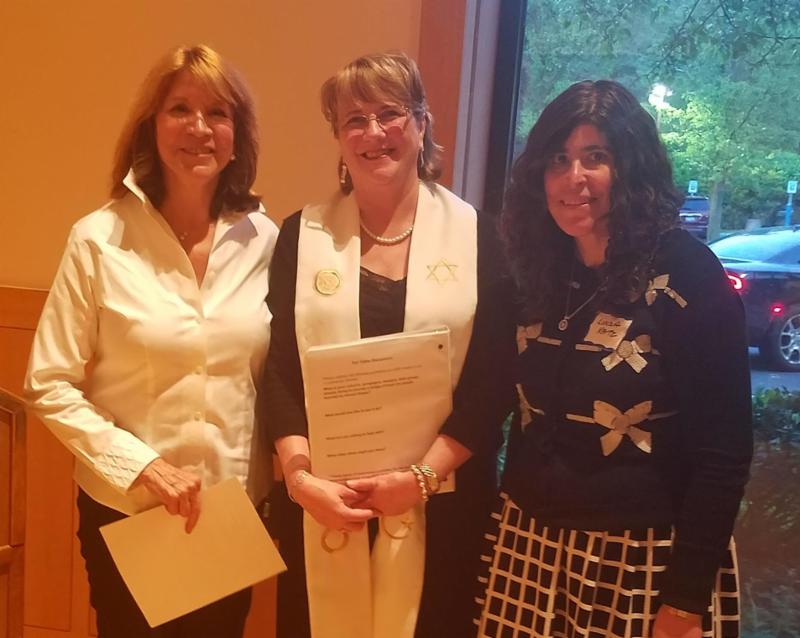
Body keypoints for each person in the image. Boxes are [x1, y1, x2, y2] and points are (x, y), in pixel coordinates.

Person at [474, 79, 753, 638]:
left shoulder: (687, 274)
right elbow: (486, 398)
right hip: (529, 544)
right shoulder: (531, 271)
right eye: (559, 159)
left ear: (630, 168)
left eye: (595, 157)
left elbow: (723, 454)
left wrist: (685, 601)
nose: (573, 177)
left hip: (643, 560)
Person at [258, 52, 516, 638]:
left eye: (390, 113)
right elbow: (279, 371)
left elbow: (494, 379)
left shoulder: (478, 235)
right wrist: (300, 480)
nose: (374, 133)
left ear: (421, 122)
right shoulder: (302, 234)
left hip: (443, 500)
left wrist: (421, 478)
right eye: (355, 119)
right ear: (338, 137)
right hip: (326, 499)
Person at [24, 44, 278, 638]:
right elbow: (48, 382)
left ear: (237, 134)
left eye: (218, 112)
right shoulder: (99, 239)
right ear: (151, 125)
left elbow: (276, 379)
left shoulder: (266, 241)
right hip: (129, 511)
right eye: (180, 109)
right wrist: (143, 467)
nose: (199, 128)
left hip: (228, 514)